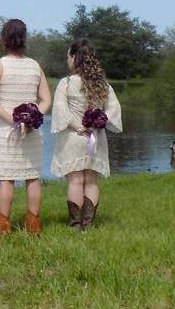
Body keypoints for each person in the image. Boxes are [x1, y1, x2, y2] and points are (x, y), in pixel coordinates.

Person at [0, 19, 52, 235]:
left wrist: (17, 120)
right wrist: (33, 118)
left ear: (4, 38)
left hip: (7, 132)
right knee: (32, 177)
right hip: (32, 133)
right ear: (24, 38)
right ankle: (33, 225)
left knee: (7, 178)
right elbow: (46, 100)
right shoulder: (35, 66)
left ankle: (3, 226)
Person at [51, 38, 122, 231]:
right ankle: (87, 225)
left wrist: (77, 126)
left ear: (75, 58)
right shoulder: (102, 85)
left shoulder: (66, 83)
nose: (67, 60)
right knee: (91, 180)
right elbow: (114, 110)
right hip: (95, 138)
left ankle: (75, 225)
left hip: (74, 138)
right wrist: (98, 121)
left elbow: (60, 110)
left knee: (75, 180)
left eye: (68, 56)